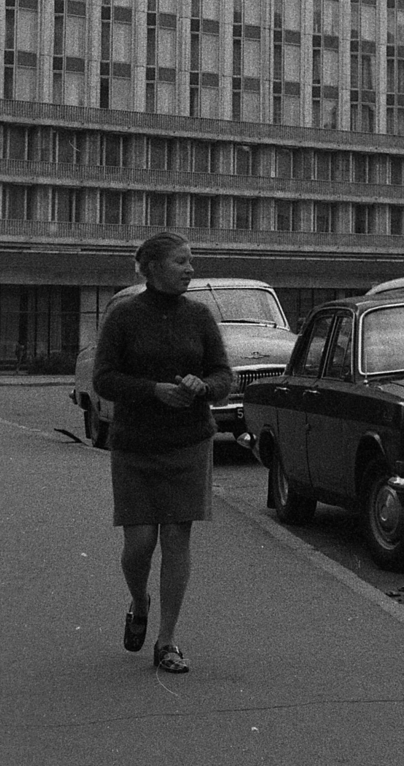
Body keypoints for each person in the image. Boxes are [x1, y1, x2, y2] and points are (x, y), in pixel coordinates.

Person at [92, 233, 232, 675]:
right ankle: (139, 602)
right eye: (180, 262)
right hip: (135, 446)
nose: (190, 269)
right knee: (138, 545)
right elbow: (104, 379)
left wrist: (202, 387)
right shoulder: (124, 316)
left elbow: (223, 374)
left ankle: (167, 640)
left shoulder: (200, 315)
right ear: (152, 267)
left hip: (188, 444)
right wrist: (154, 391)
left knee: (176, 539)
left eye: (191, 262)